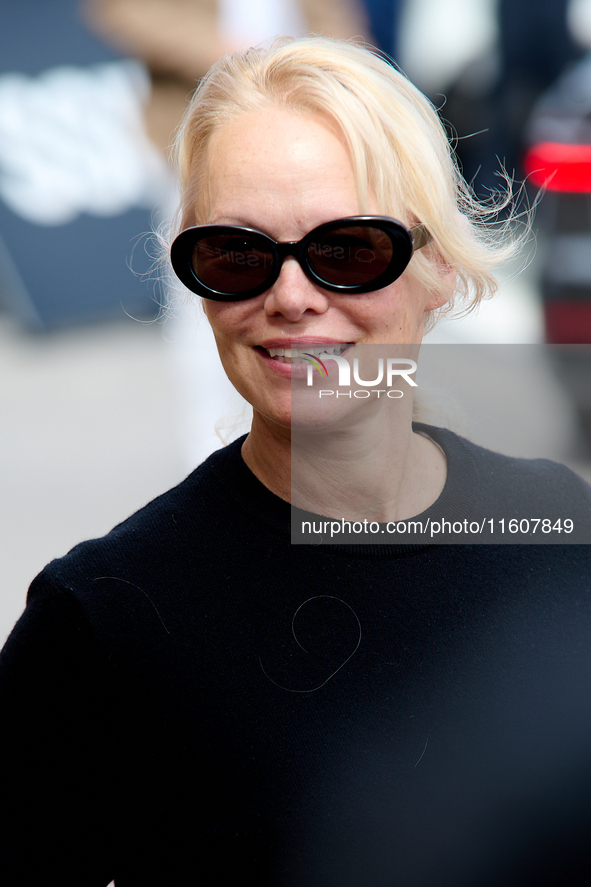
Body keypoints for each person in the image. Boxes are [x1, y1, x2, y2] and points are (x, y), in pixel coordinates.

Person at [1, 36, 591, 887]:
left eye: (348, 249)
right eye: (237, 254)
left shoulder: (557, 537)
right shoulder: (103, 621)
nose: (290, 296)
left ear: (440, 271)